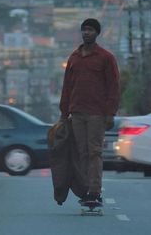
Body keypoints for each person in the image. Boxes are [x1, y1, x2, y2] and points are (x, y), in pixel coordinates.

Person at [59, 18, 120, 206]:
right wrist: (63, 113)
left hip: (96, 113)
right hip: (76, 112)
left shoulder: (105, 57)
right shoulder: (74, 58)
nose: (87, 33)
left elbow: (113, 86)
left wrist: (110, 113)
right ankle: (85, 190)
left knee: (94, 152)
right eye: (84, 29)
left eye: (90, 30)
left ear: (97, 33)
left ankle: (94, 191)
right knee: (82, 153)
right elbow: (67, 87)